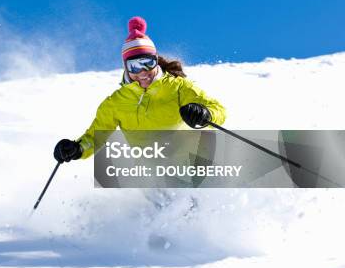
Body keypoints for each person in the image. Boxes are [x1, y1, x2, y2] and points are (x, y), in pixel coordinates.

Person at [53, 16, 227, 163]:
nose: (143, 71)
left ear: (156, 61)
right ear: (126, 68)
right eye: (135, 66)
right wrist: (76, 149)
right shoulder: (115, 103)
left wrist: (205, 114)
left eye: (148, 62)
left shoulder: (178, 87)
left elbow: (218, 109)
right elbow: (95, 137)